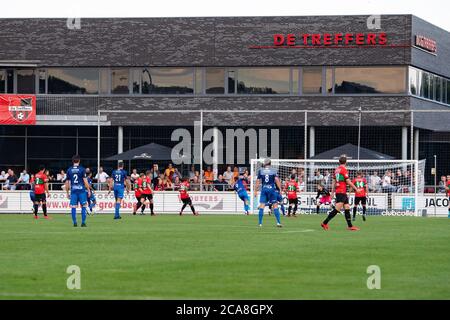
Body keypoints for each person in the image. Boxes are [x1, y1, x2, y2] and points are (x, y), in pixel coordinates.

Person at [321, 155, 360, 231]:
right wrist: (356, 188)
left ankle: (350, 226)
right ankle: (324, 223)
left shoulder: (336, 170)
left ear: (339, 162)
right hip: (341, 191)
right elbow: (348, 181)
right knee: (337, 209)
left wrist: (332, 192)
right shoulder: (344, 170)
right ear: (346, 162)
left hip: (340, 191)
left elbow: (333, 181)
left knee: (347, 207)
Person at [254, 158, 282, 228]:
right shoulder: (273, 170)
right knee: (275, 205)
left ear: (265, 164)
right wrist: (280, 189)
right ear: (270, 164)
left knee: (262, 206)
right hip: (271, 189)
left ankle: (260, 223)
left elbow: (258, 181)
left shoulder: (261, 171)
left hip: (264, 189)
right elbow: (276, 180)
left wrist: (255, 190)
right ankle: (278, 222)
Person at [66, 155, 91, 227]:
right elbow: (85, 181)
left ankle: (74, 222)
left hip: (73, 191)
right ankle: (83, 222)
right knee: (83, 206)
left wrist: (67, 192)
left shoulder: (69, 170)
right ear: (79, 161)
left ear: (72, 161)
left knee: (73, 207)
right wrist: (88, 190)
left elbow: (67, 183)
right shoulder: (82, 169)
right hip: (81, 191)